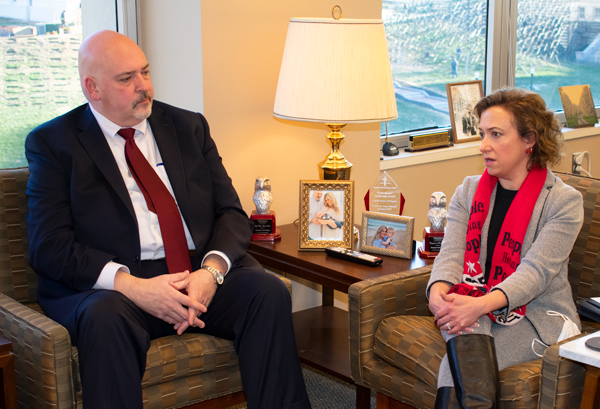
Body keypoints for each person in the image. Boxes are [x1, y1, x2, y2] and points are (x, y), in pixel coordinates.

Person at [25, 30, 311, 409]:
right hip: (116, 285)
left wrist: (210, 273)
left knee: (267, 291)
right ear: (92, 88)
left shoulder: (188, 126)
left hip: (195, 269)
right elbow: (49, 247)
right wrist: (132, 286)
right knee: (104, 319)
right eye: (127, 79)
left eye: (145, 72)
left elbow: (231, 213)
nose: (143, 86)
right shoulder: (54, 143)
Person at [427, 88, 583, 408]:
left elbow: (536, 274)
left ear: (530, 140)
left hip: (538, 314)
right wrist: (438, 293)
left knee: (455, 367)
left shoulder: (563, 202)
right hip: (473, 299)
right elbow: (452, 253)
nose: (484, 145)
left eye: (496, 134)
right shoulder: (469, 190)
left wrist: (479, 305)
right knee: (465, 363)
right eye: (483, 133)